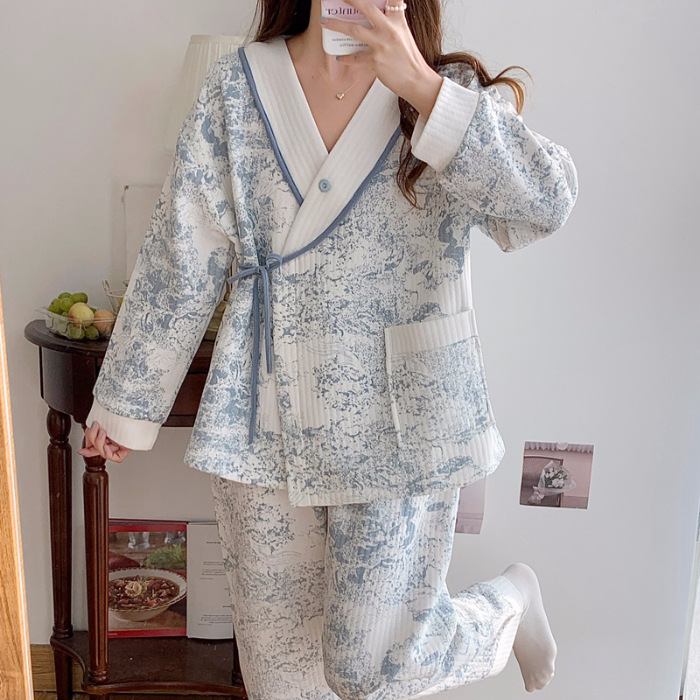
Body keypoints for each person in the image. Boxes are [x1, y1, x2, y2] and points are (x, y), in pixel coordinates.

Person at [80, 0, 577, 696]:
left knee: (370, 665)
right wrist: (128, 404)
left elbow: (547, 201)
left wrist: (422, 87)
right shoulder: (239, 87)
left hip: (398, 425)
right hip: (265, 422)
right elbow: (182, 251)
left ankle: (505, 607)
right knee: (281, 681)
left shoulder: (444, 93)